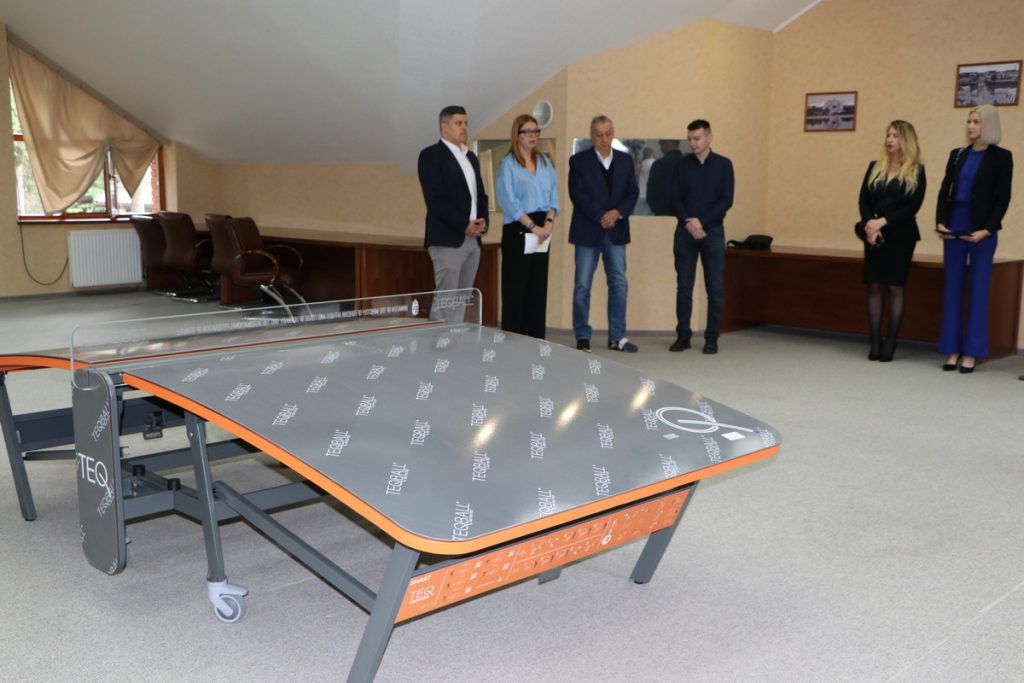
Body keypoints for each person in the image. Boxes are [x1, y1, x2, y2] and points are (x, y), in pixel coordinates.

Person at [936, 104, 1013, 373]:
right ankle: (952, 350)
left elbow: (1003, 198)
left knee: (979, 291)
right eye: (969, 121)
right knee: (952, 289)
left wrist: (988, 229)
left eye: (976, 121)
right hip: (954, 228)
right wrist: (941, 222)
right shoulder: (957, 154)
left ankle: (971, 352)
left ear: (988, 125)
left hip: (982, 231)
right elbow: (944, 190)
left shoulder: (1002, 157)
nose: (970, 126)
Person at [568, 115, 640, 353]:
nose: (604, 139)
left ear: (613, 133)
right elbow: (577, 195)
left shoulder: (625, 160)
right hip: (587, 229)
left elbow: (632, 194)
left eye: (608, 134)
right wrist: (601, 215)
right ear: (592, 136)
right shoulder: (578, 161)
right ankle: (582, 336)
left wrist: (617, 213)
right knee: (582, 286)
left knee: (619, 284)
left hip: (616, 230)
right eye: (599, 135)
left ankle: (617, 337)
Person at [857, 120, 926, 362]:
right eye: (888, 135)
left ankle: (891, 341)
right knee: (875, 285)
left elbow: (913, 206)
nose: (890, 140)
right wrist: (870, 225)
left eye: (895, 135)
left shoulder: (917, 170)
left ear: (906, 140)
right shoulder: (875, 167)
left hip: (901, 235)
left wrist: (882, 222)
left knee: (894, 287)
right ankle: (875, 341)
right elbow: (864, 200)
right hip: (873, 236)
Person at [417, 105, 488, 320]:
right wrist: (464, 224)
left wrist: (483, 222)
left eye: (466, 123)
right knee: (445, 299)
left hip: (473, 239)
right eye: (458, 123)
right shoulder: (431, 155)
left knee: (462, 298)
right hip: (447, 239)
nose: (464, 127)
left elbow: (481, 195)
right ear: (444, 127)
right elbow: (435, 200)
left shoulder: (470, 157)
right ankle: (439, 339)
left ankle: (455, 338)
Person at [669, 120, 734, 355]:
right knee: (684, 287)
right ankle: (683, 336)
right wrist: (689, 222)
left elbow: (726, 200)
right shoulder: (681, 165)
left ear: (709, 137)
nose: (693, 143)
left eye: (697, 138)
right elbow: (674, 197)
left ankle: (711, 338)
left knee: (714, 288)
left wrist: (702, 222)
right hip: (685, 232)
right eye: (690, 139)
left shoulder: (724, 165)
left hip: (713, 232)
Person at [495, 114, 559, 339]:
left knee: (537, 287)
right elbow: (508, 200)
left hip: (543, 230)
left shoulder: (545, 163)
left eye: (535, 131)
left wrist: (548, 223)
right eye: (527, 131)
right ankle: (513, 341)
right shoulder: (508, 164)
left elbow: (553, 196)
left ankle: (536, 340)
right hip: (519, 229)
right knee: (516, 288)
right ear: (517, 135)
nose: (533, 136)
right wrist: (533, 226)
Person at [646, 139, 684, 216]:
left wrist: (658, 210)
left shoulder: (659, 164)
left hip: (662, 213)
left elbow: (651, 193)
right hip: (686, 215)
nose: (660, 147)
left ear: (667, 143)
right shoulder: (690, 164)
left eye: (661, 143)